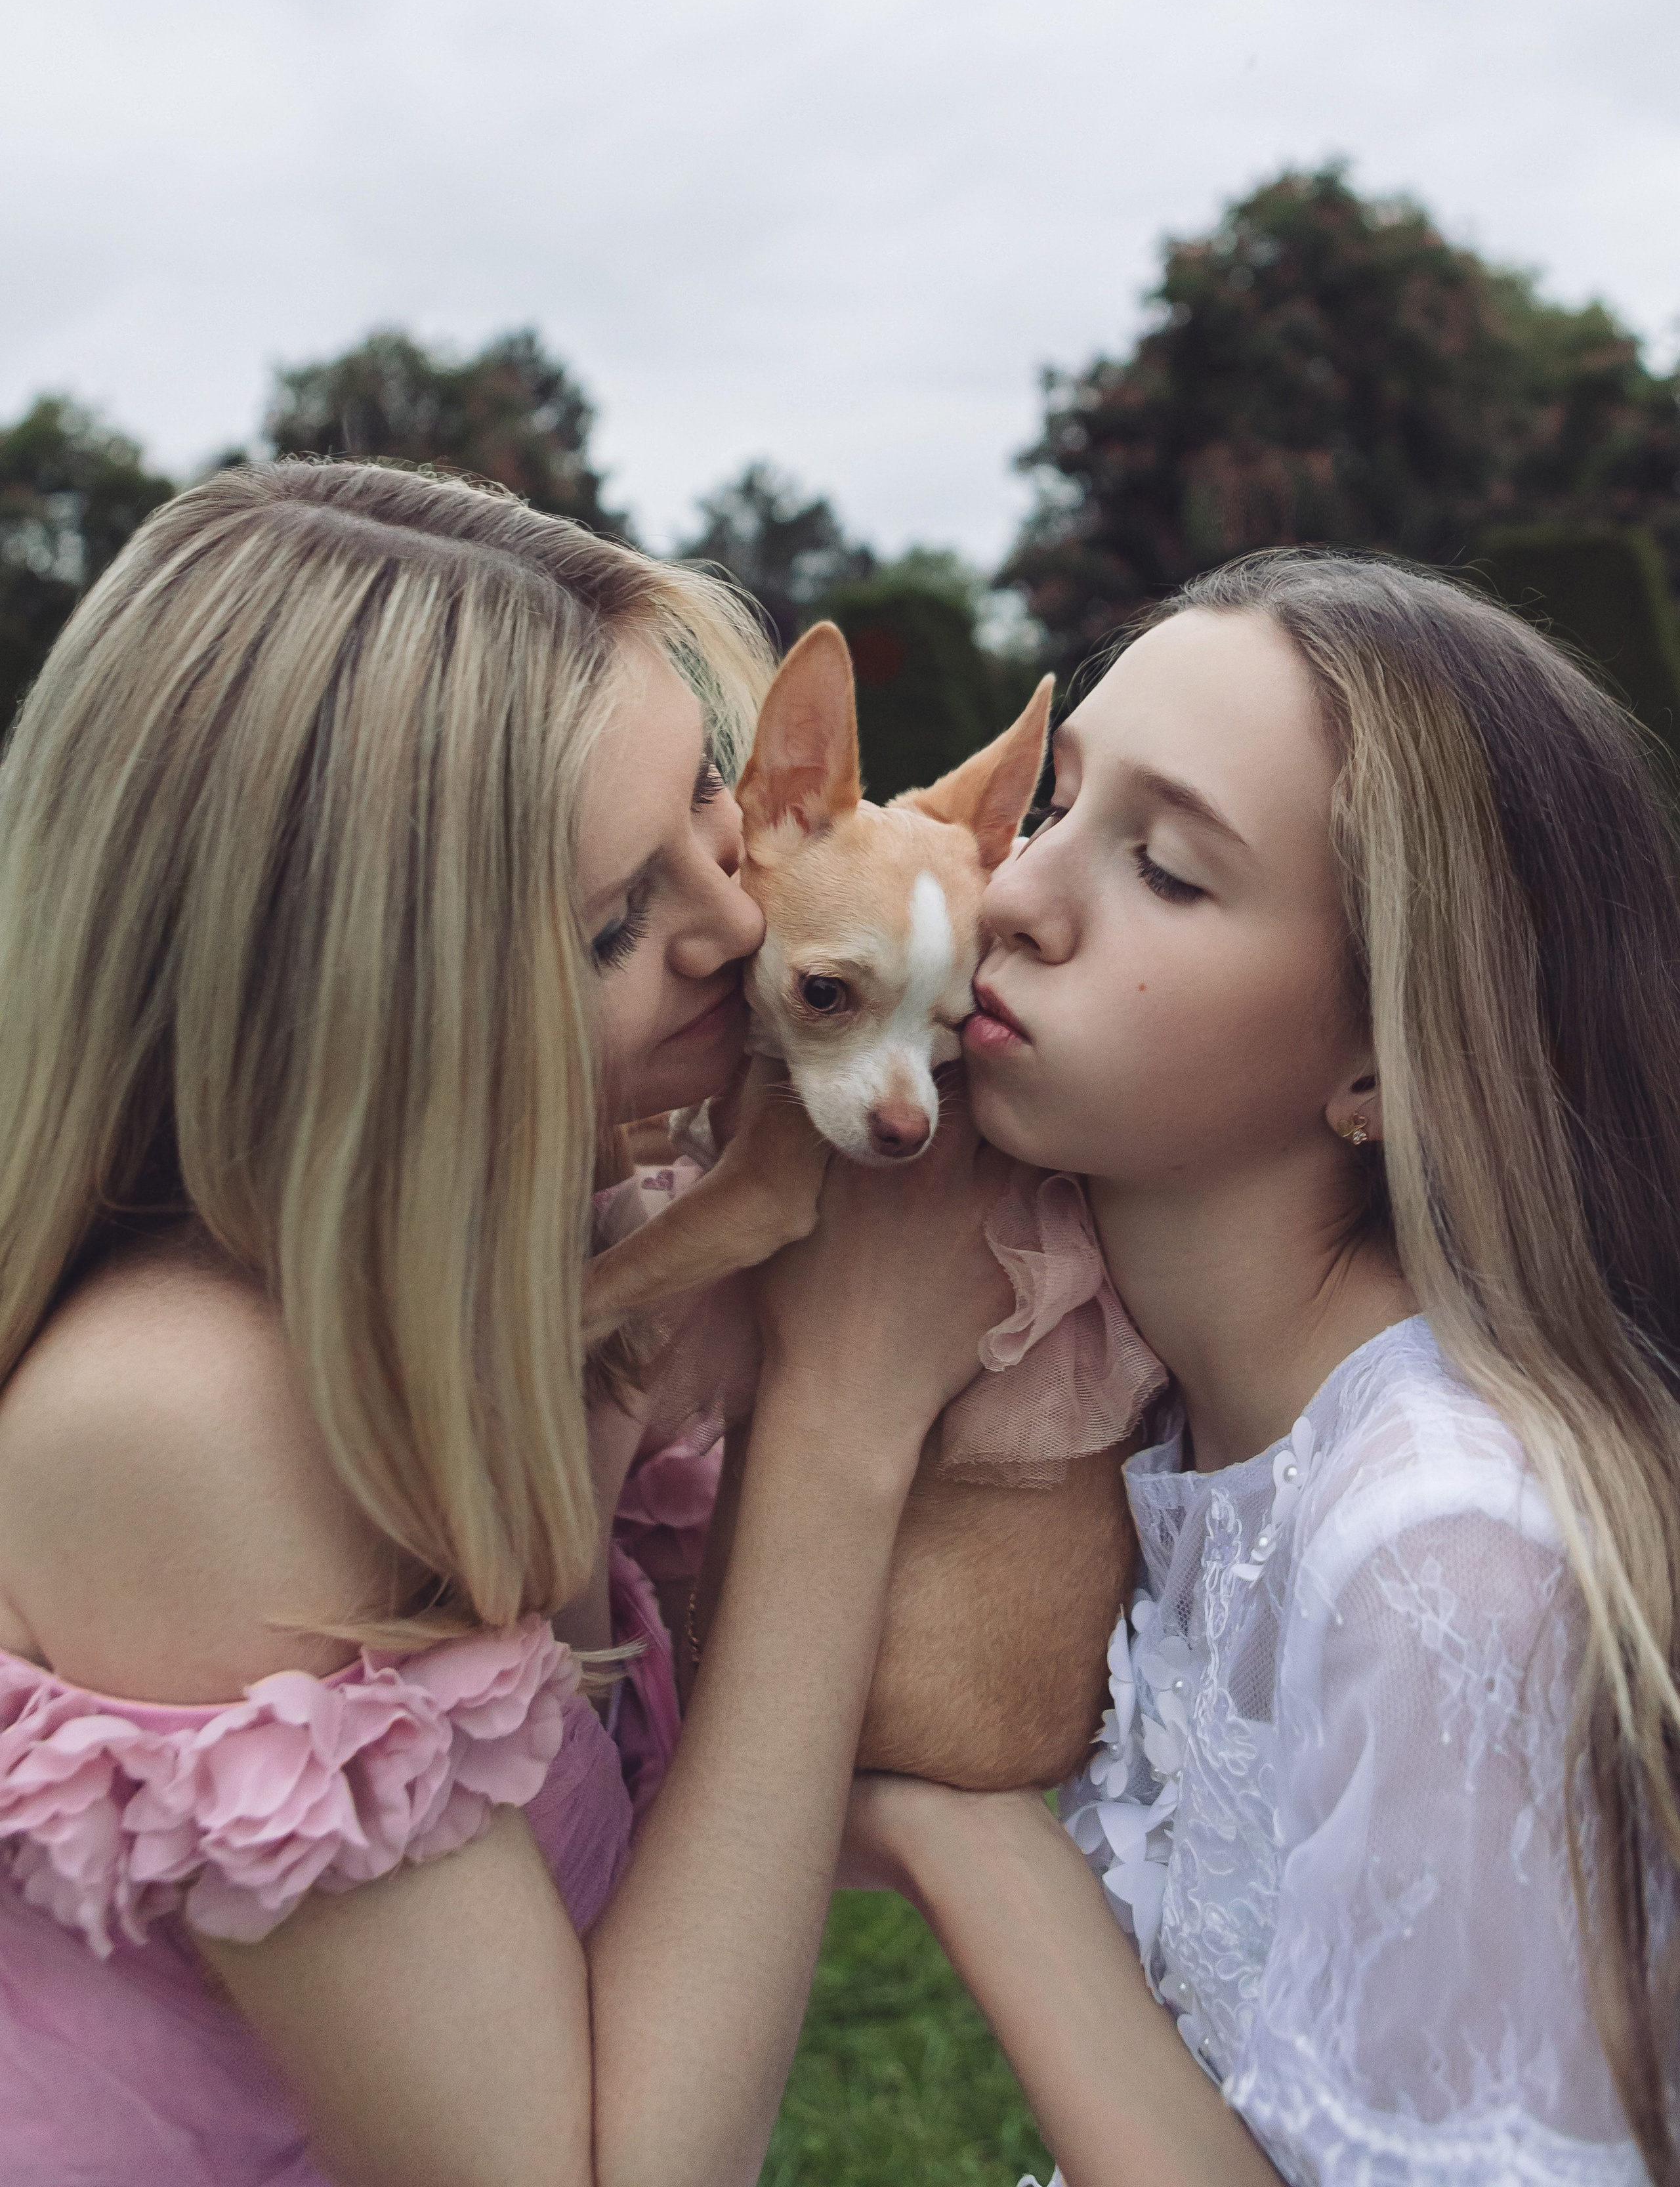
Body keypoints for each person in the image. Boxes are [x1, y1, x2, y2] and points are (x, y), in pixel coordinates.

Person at [0, 459, 1014, 2187]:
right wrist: (843, 1417)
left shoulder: (503, 1261)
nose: (735, 916)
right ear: (362, 1006)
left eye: (713, 806)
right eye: (622, 916)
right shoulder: (175, 1413)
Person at [780, 550, 1680, 2184]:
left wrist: (966, 1828)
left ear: (1382, 1057)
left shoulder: (1449, 1555)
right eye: (1052, 809)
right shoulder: (1170, 1416)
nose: (1017, 899)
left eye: (1169, 873)